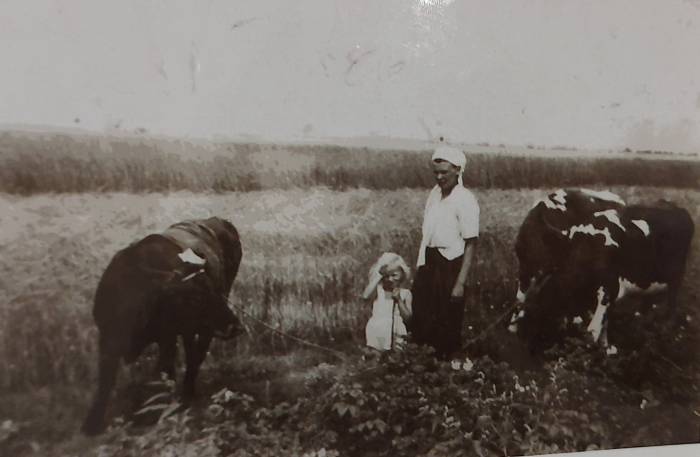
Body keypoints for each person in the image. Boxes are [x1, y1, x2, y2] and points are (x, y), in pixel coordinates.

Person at [411, 146, 479, 360]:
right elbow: (427, 235)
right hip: (430, 261)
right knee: (421, 316)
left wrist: (459, 283)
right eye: (436, 172)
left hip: (451, 265)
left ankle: (446, 371)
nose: (439, 177)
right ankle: (422, 367)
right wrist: (421, 266)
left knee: (446, 321)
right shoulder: (434, 196)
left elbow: (471, 243)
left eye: (445, 172)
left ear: (457, 170)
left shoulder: (465, 199)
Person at [362, 252, 413, 351]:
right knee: (375, 357)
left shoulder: (405, 293)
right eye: (386, 276)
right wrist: (379, 275)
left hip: (396, 331)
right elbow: (365, 296)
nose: (390, 279)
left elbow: (408, 318)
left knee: (396, 359)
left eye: (394, 275)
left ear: (402, 275)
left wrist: (399, 300)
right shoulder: (378, 290)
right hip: (376, 330)